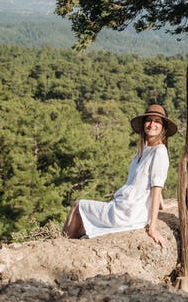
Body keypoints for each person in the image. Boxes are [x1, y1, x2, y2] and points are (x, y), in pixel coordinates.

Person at [63, 104, 177, 247]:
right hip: (125, 206)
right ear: (144, 124)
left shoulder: (159, 152)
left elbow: (156, 187)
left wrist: (153, 227)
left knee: (77, 205)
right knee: (80, 227)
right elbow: (152, 181)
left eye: (157, 121)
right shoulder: (143, 150)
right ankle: (68, 245)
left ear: (163, 127)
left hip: (129, 211)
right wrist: (163, 205)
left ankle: (61, 244)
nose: (152, 124)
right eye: (149, 120)